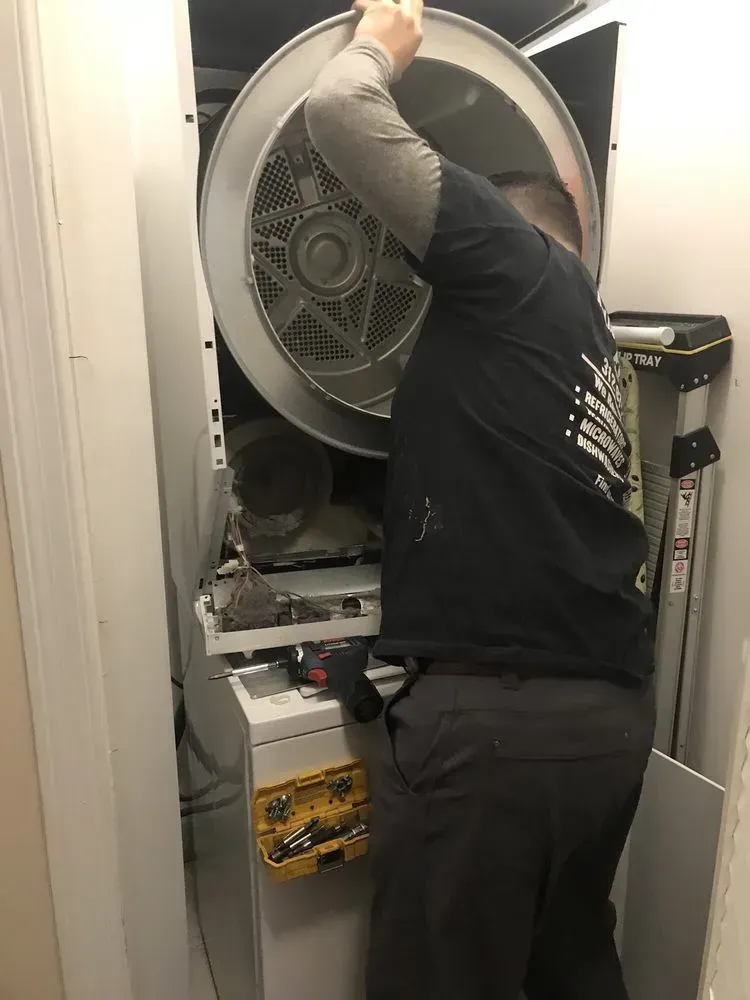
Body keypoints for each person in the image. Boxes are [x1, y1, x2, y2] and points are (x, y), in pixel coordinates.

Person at [305, 3, 655, 998]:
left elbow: (338, 109)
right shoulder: (586, 345)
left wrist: (384, 40)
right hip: (606, 725)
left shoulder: (507, 259)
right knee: (572, 969)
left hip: (497, 735)